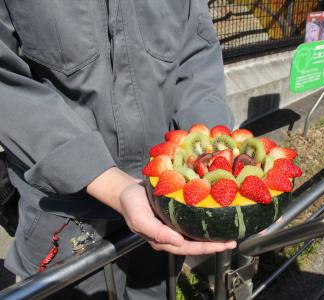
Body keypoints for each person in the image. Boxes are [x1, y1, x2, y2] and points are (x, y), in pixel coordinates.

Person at [0, 1, 236, 299]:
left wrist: (216, 165)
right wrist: (114, 186)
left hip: (165, 199)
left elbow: (197, 53)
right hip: (62, 212)